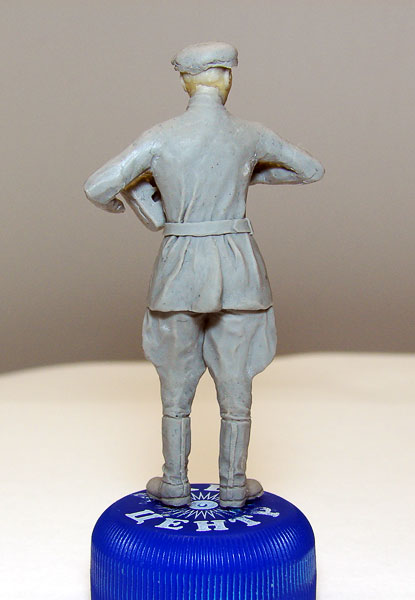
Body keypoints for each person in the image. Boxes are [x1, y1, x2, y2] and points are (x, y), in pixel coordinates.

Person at [84, 42, 324, 508]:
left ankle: (175, 483)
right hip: (237, 269)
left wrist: (127, 201)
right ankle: (233, 486)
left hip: (180, 271)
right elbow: (310, 169)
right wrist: (247, 172)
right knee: (237, 387)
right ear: (227, 78)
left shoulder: (160, 137)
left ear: (185, 81)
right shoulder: (250, 135)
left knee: (175, 389)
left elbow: (97, 187)